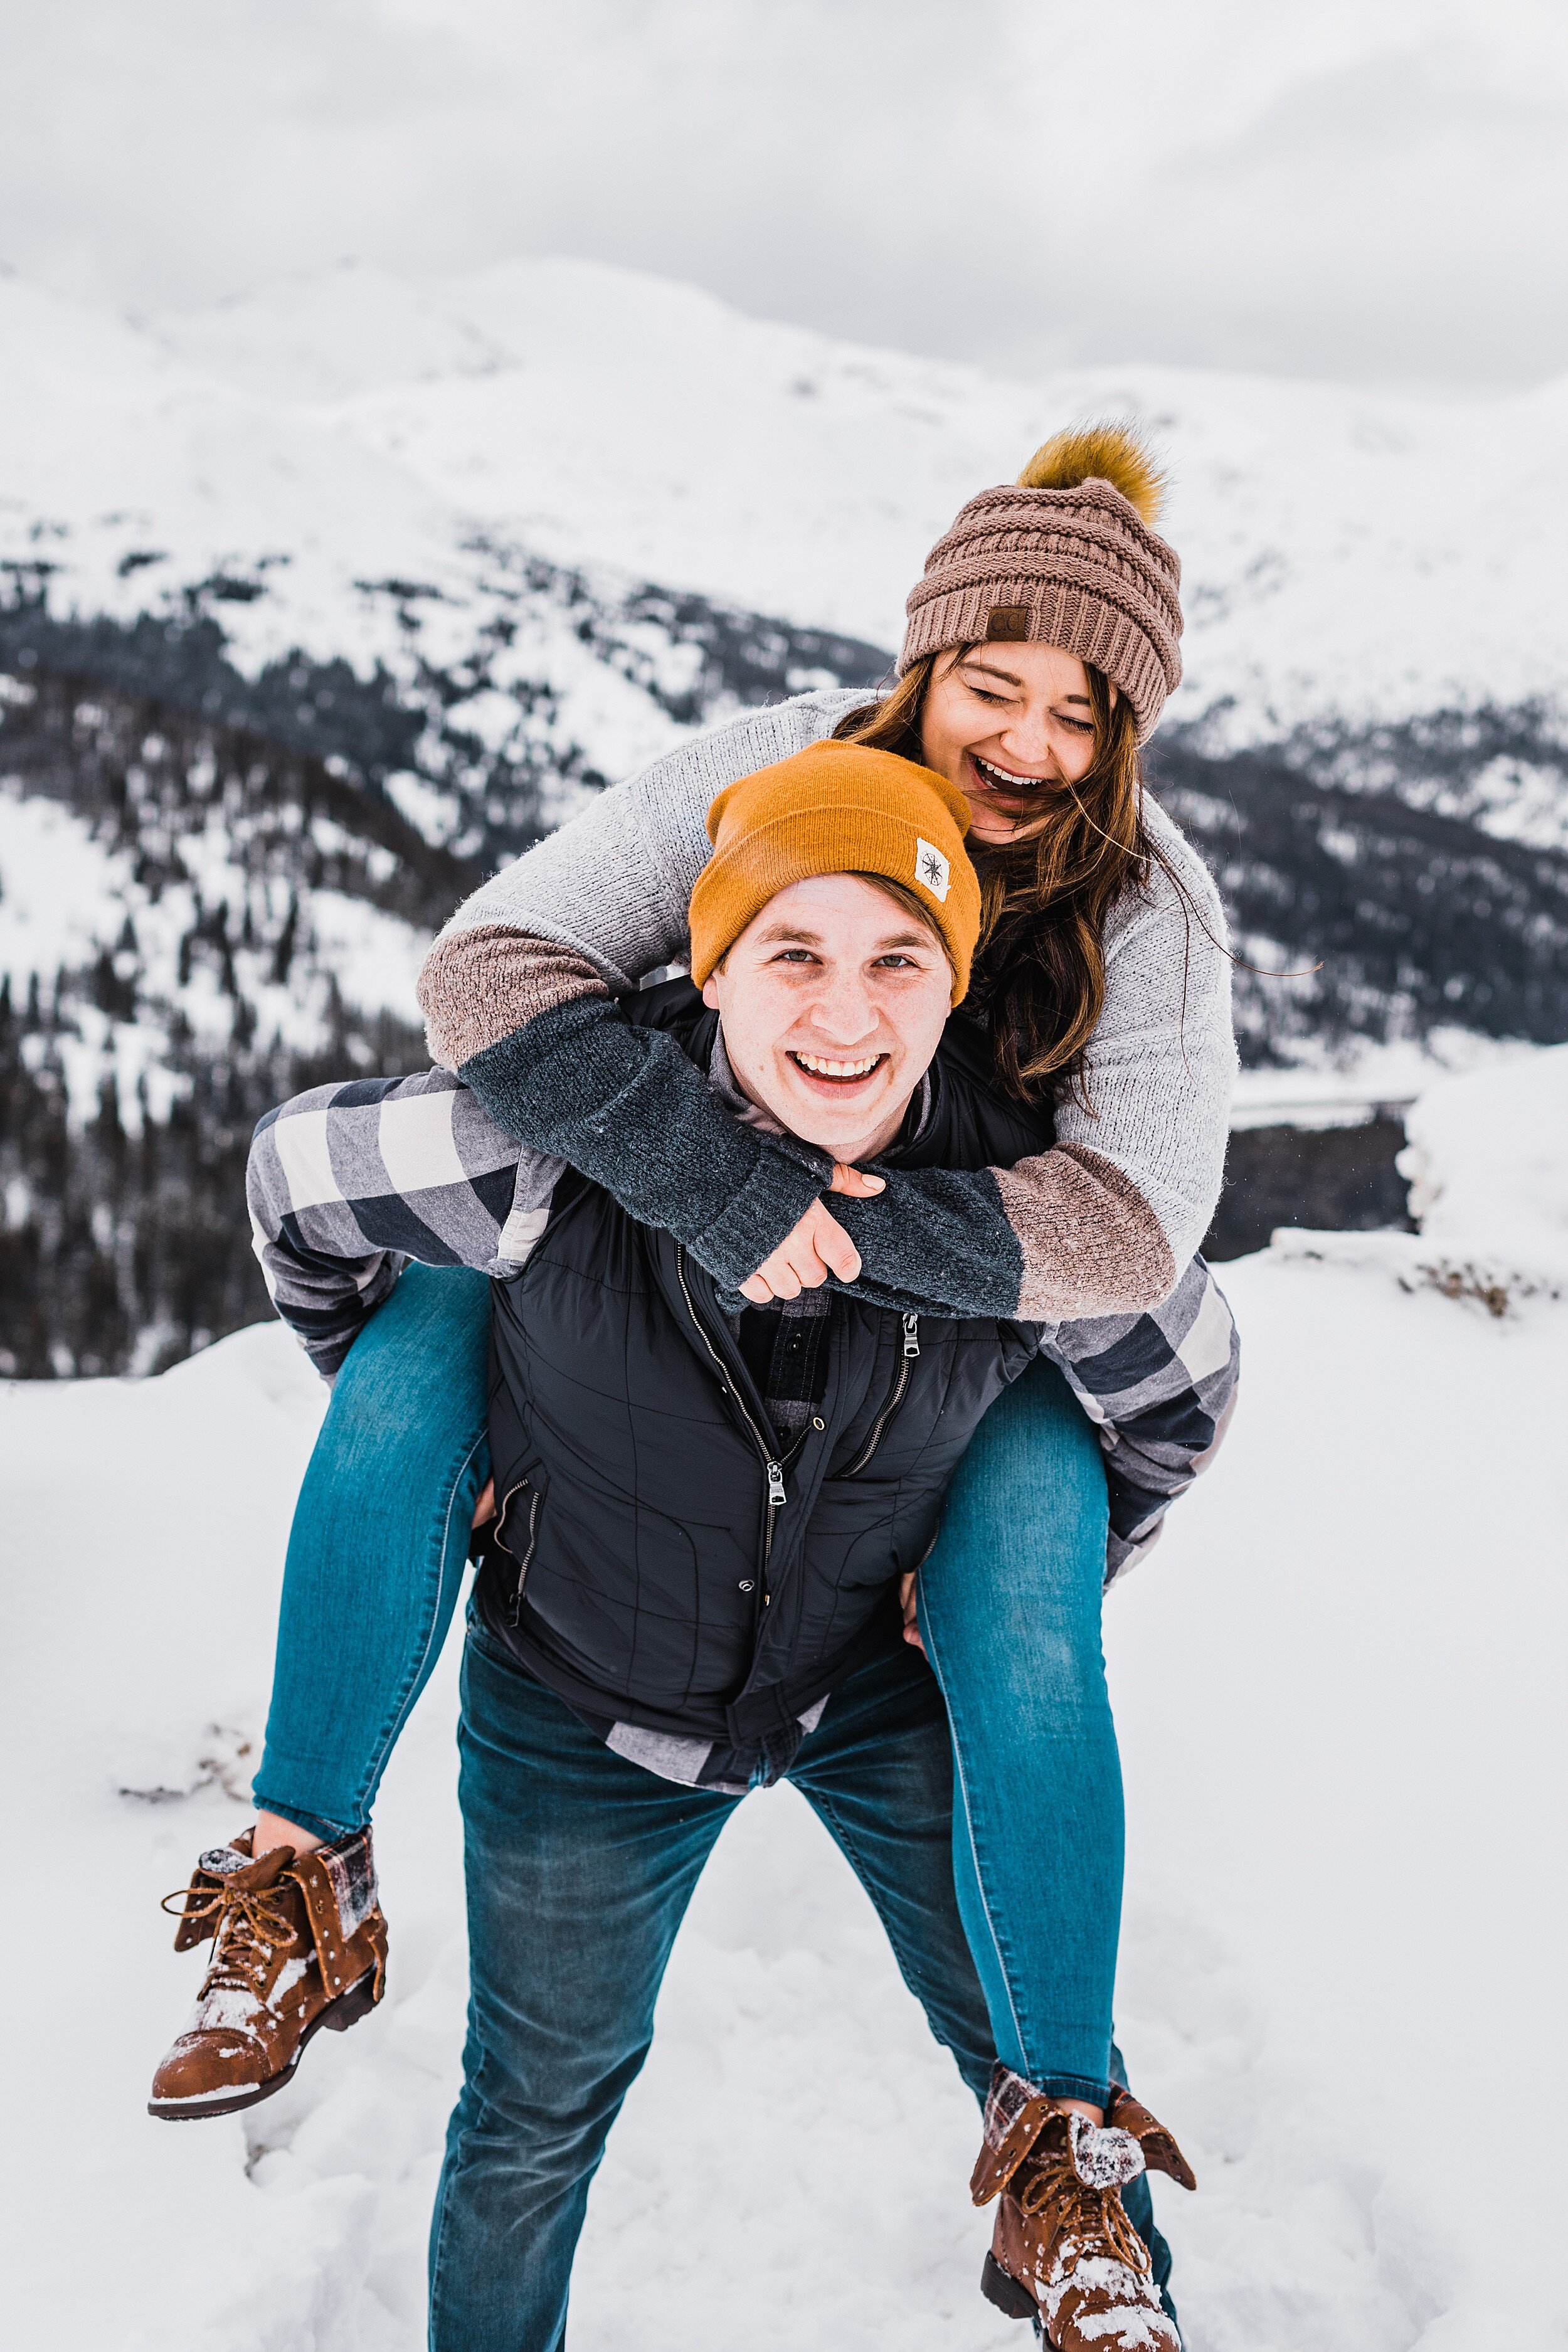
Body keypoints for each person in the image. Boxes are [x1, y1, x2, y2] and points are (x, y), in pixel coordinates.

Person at [159, 746, 1200, 2349]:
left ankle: (1092, 2247)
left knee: (1052, 2093)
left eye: (895, 962)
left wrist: (1012, 1572)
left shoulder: (1023, 1218)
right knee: (532, 2118)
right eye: (792, 954)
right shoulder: (552, 1149)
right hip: (584, 1697)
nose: (843, 1016)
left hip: (872, 1691)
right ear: (707, 969)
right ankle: (305, 1880)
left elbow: (1182, 1389)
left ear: (954, 983)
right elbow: (298, 1185)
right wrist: (453, 1444)